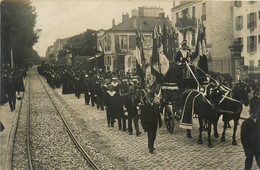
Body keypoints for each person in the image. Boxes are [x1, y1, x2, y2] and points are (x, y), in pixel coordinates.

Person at [241, 89, 260, 170]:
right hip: (250, 149)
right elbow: (243, 138)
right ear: (249, 113)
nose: (255, 115)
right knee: (248, 165)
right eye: (253, 113)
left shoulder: (259, 122)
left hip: (259, 148)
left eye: (256, 113)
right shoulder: (246, 123)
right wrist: (246, 150)